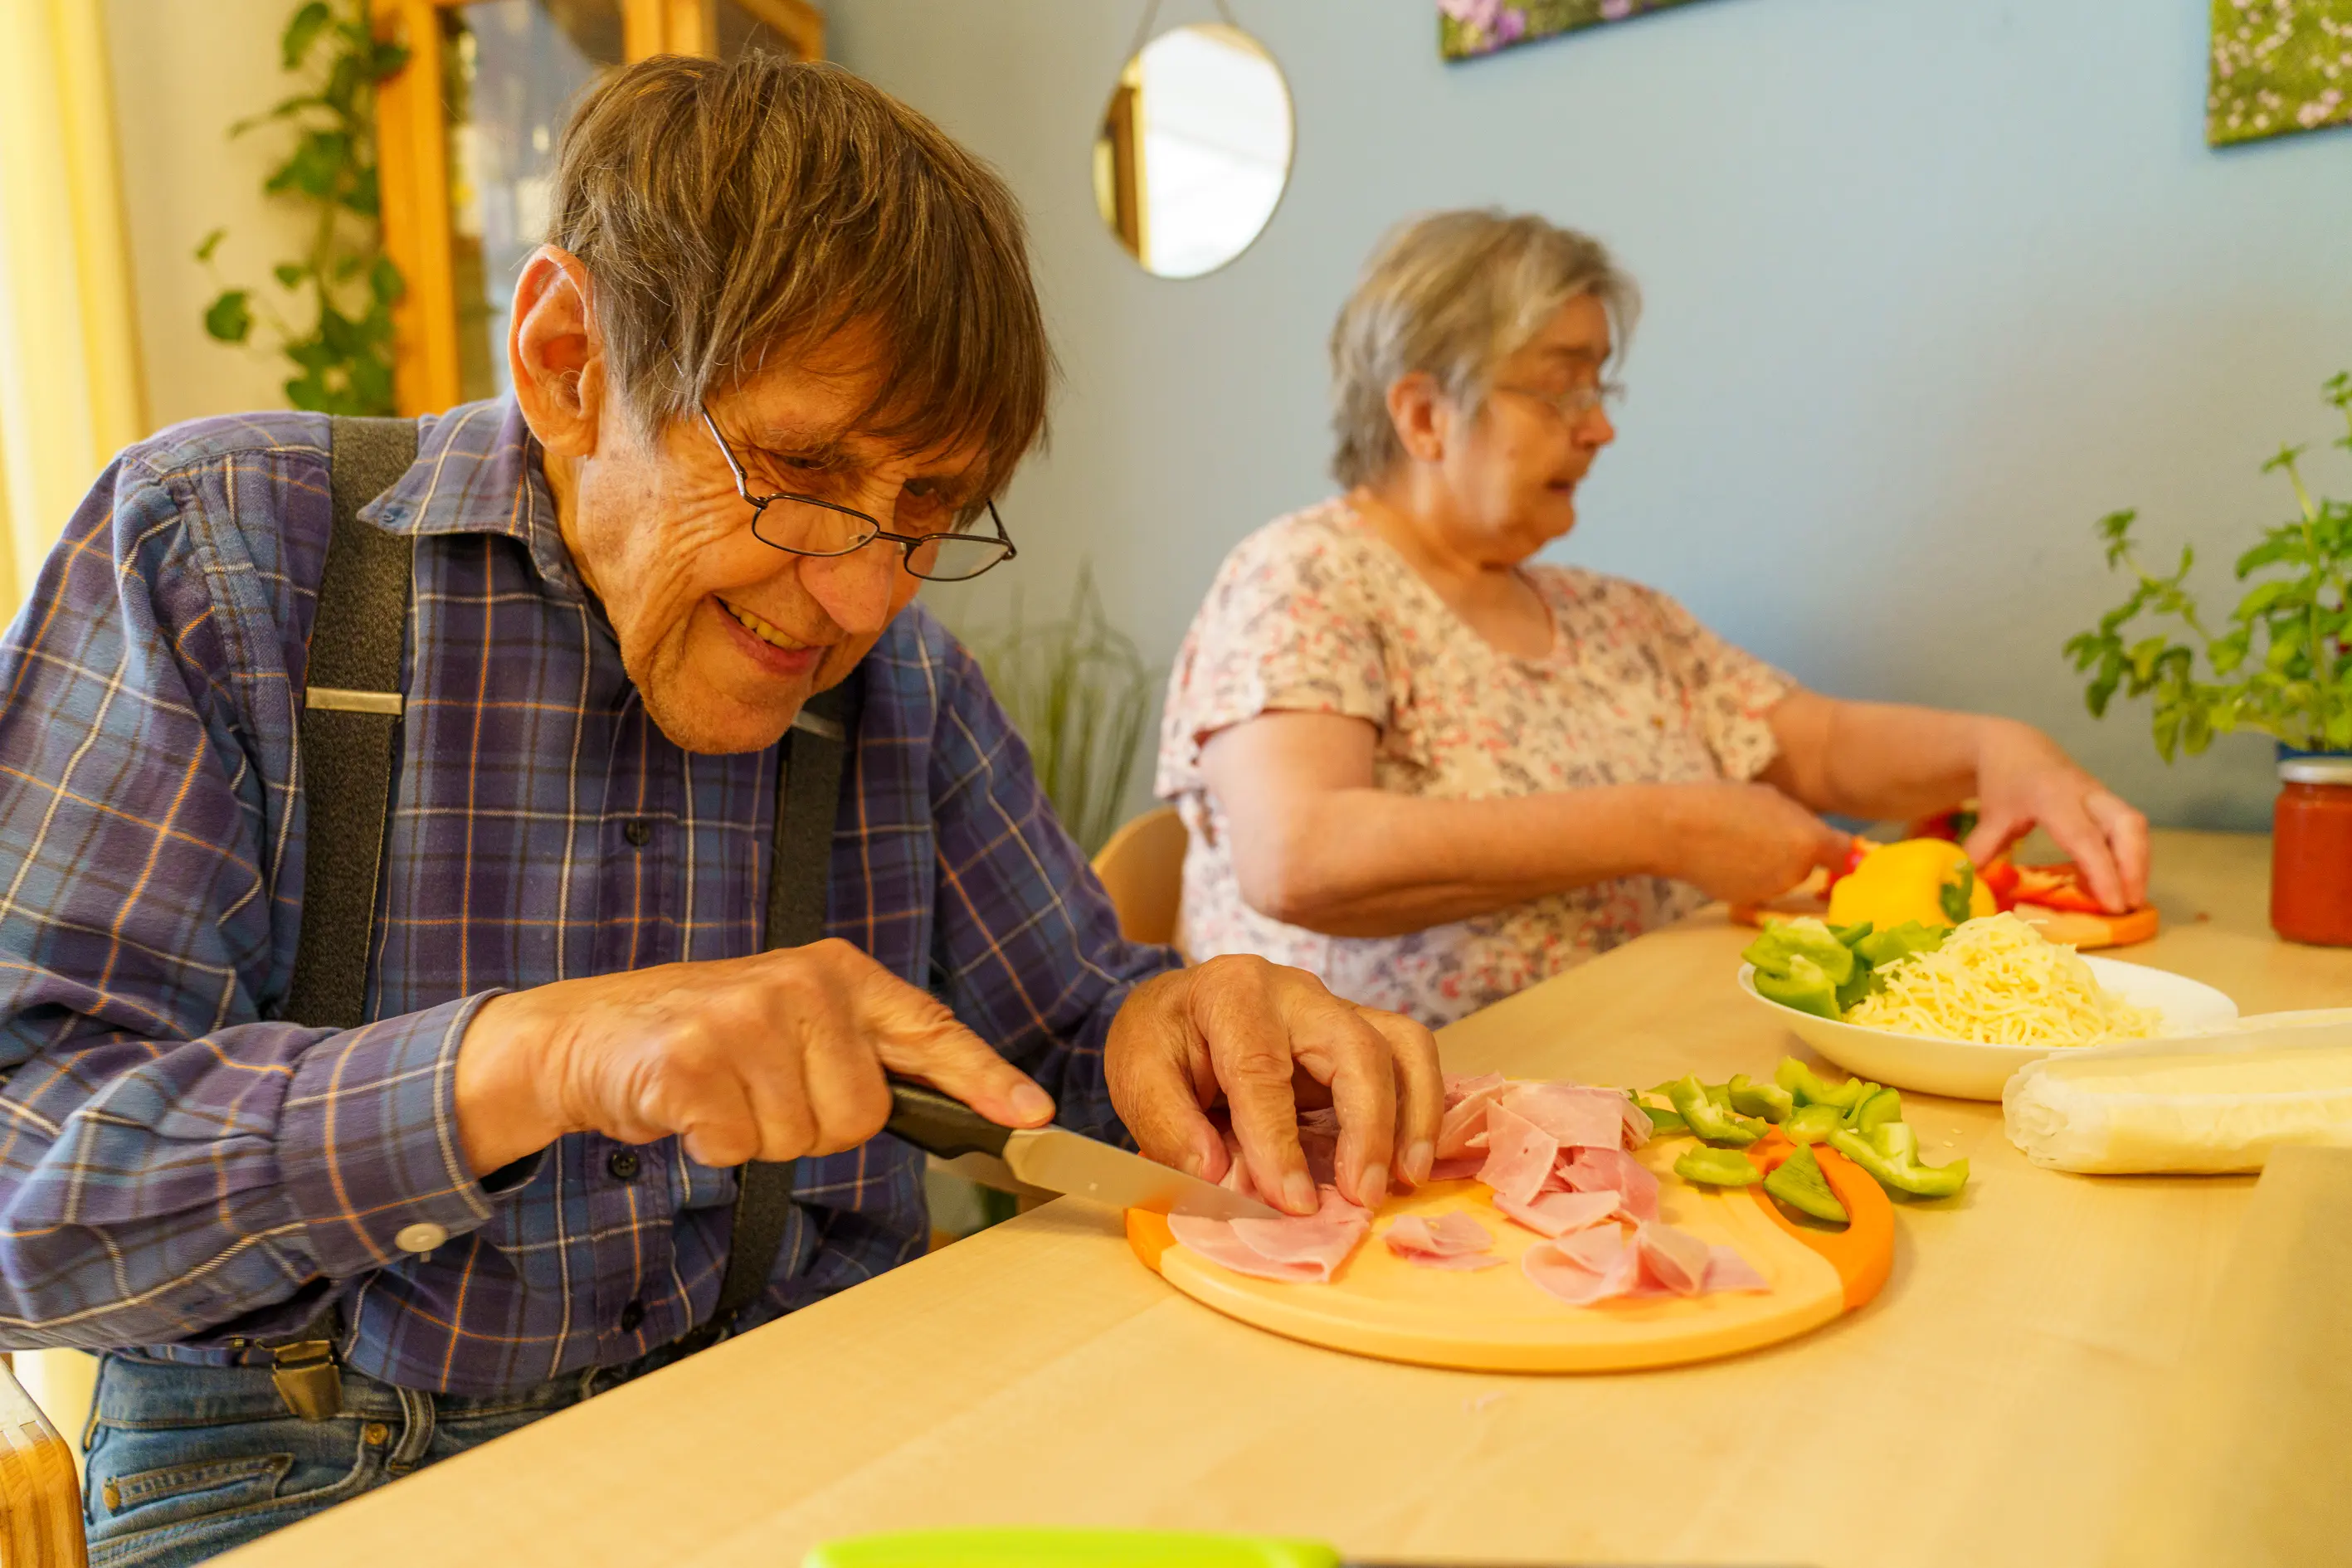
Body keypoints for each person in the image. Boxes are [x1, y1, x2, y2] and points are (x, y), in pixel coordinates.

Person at [0, 59, 1439, 1563]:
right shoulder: (225, 557)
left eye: (929, 509)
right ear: (567, 362)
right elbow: (24, 1188)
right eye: (804, 473)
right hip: (316, 1466)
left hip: (805, 1407)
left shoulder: (907, 687)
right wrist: (529, 1058)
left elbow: (1068, 1042)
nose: (865, 595)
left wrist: (1190, 1037)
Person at [1155, 209, 2150, 1027]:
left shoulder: (1615, 616)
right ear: (1422, 415)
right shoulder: (1303, 576)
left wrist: (1995, 749)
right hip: (1396, 1127)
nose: (1600, 425)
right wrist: (1666, 825)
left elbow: (1820, 742)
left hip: (1657, 1057)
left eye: (1600, 384)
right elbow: (1301, 855)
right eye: (1559, 386)